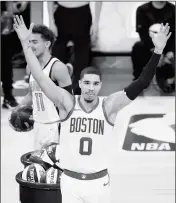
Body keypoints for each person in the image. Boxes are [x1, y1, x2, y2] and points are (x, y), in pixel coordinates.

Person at [14, 15, 171, 203]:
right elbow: (40, 77)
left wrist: (158, 50)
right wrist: (25, 45)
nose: (90, 87)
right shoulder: (67, 103)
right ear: (79, 83)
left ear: (100, 86)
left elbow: (143, 81)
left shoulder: (109, 106)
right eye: (86, 83)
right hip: (70, 182)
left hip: (98, 183)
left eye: (95, 84)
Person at [13, 24, 73, 149]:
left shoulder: (58, 68)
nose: (31, 46)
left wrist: (67, 130)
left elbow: (69, 101)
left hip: (55, 125)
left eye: (35, 42)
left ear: (47, 44)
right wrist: (16, 110)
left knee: (54, 167)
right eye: (29, 42)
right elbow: (32, 94)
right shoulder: (30, 67)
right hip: (38, 125)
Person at [48, 1, 102, 95]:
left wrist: (96, 23)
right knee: (57, 55)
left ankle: (78, 93)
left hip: (82, 12)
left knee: (82, 58)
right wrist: (51, 21)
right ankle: (55, 93)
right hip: (62, 12)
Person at [131, 1, 175, 93]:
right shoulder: (142, 10)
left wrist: (170, 51)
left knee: (168, 88)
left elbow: (174, 34)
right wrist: (157, 53)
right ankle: (138, 80)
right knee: (137, 48)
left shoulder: (173, 10)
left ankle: (167, 78)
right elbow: (143, 34)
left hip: (168, 47)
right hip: (150, 47)